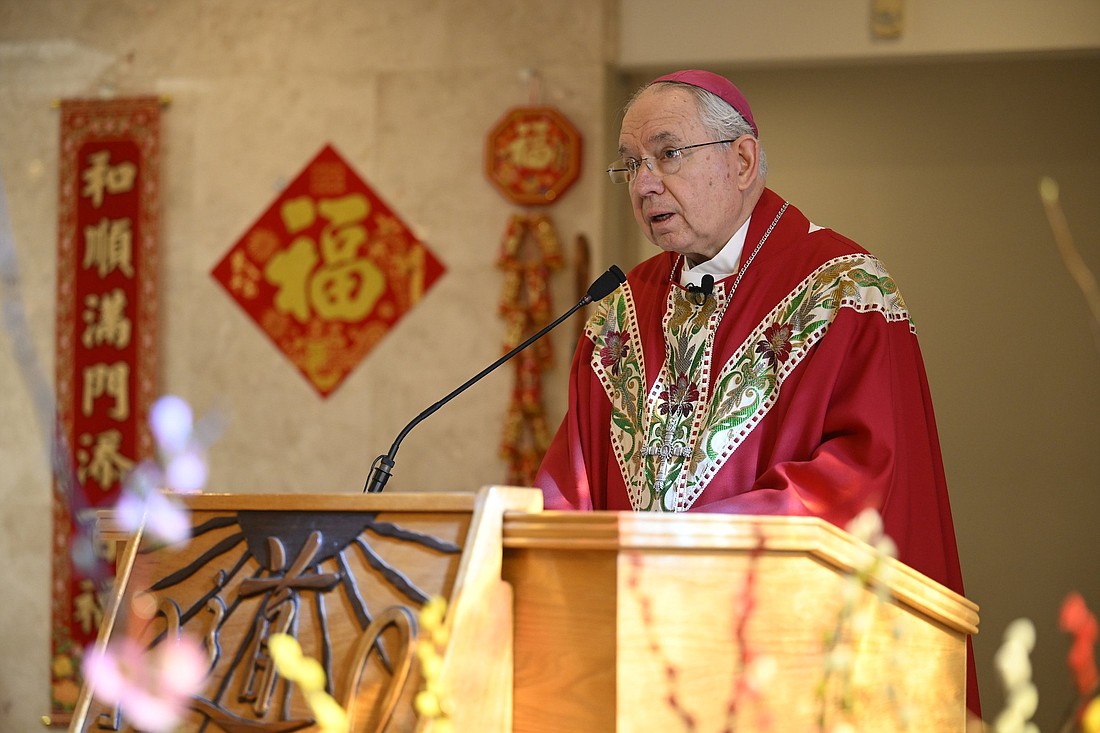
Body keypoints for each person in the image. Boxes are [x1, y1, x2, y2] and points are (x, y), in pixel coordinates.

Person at [534, 69, 980, 718]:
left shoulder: (845, 290)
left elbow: (862, 481)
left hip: (788, 667)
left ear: (741, 159)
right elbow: (570, 481)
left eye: (667, 154)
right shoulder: (620, 308)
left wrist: (674, 550)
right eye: (629, 165)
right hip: (630, 662)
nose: (644, 182)